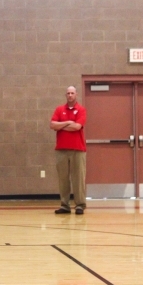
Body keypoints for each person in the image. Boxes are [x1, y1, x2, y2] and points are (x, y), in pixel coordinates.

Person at [50, 86, 87, 215]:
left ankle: (80, 205)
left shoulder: (81, 110)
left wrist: (61, 125)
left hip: (78, 150)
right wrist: (67, 122)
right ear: (65, 95)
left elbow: (77, 127)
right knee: (63, 179)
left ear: (76, 94)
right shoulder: (59, 109)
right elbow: (52, 125)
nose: (70, 95)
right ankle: (65, 205)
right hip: (61, 150)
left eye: (72, 93)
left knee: (78, 178)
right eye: (68, 93)